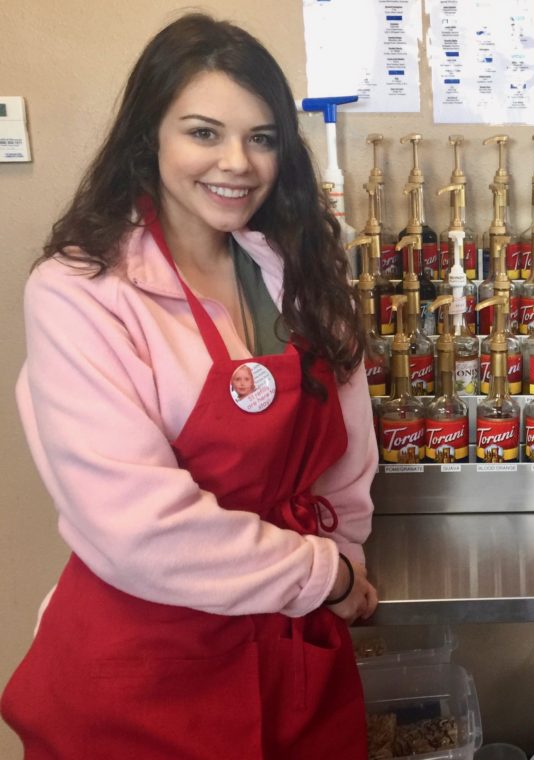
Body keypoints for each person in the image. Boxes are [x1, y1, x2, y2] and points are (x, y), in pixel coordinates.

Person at [1, 14, 379, 758]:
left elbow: (347, 456)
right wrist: (321, 574)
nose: (237, 162)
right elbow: (138, 528)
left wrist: (349, 555)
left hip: (291, 658)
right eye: (203, 133)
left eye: (262, 137)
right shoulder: (83, 292)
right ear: (151, 137)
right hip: (146, 669)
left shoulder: (298, 275)